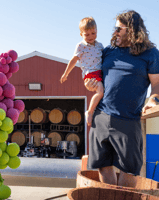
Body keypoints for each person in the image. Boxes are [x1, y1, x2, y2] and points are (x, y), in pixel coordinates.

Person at [85, 10, 159, 187]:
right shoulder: (108, 51)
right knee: (102, 165)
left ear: (132, 30)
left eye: (119, 28)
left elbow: (156, 83)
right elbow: (95, 76)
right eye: (115, 28)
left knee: (129, 169)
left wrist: (153, 99)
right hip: (101, 116)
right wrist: (90, 83)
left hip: (129, 119)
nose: (115, 31)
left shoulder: (150, 53)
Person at [60, 17, 104, 126]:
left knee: (103, 92)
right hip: (90, 74)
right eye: (87, 35)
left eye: (93, 33)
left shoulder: (100, 46)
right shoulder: (81, 46)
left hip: (100, 73)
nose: (90, 37)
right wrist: (66, 74)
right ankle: (89, 111)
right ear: (81, 34)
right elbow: (73, 60)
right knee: (100, 92)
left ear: (97, 31)